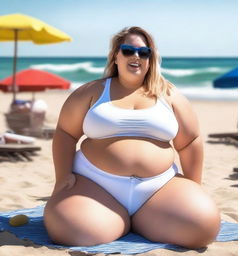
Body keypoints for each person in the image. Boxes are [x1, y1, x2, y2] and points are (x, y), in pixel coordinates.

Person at [44, 26, 220, 249]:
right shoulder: (92, 91)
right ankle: (121, 221)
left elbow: (190, 141)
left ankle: (136, 220)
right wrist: (62, 177)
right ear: (115, 56)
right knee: (71, 230)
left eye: (144, 52)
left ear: (150, 59)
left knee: (203, 227)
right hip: (96, 183)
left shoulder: (168, 94)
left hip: (158, 186)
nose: (136, 56)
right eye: (128, 50)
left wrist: (195, 187)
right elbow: (65, 133)